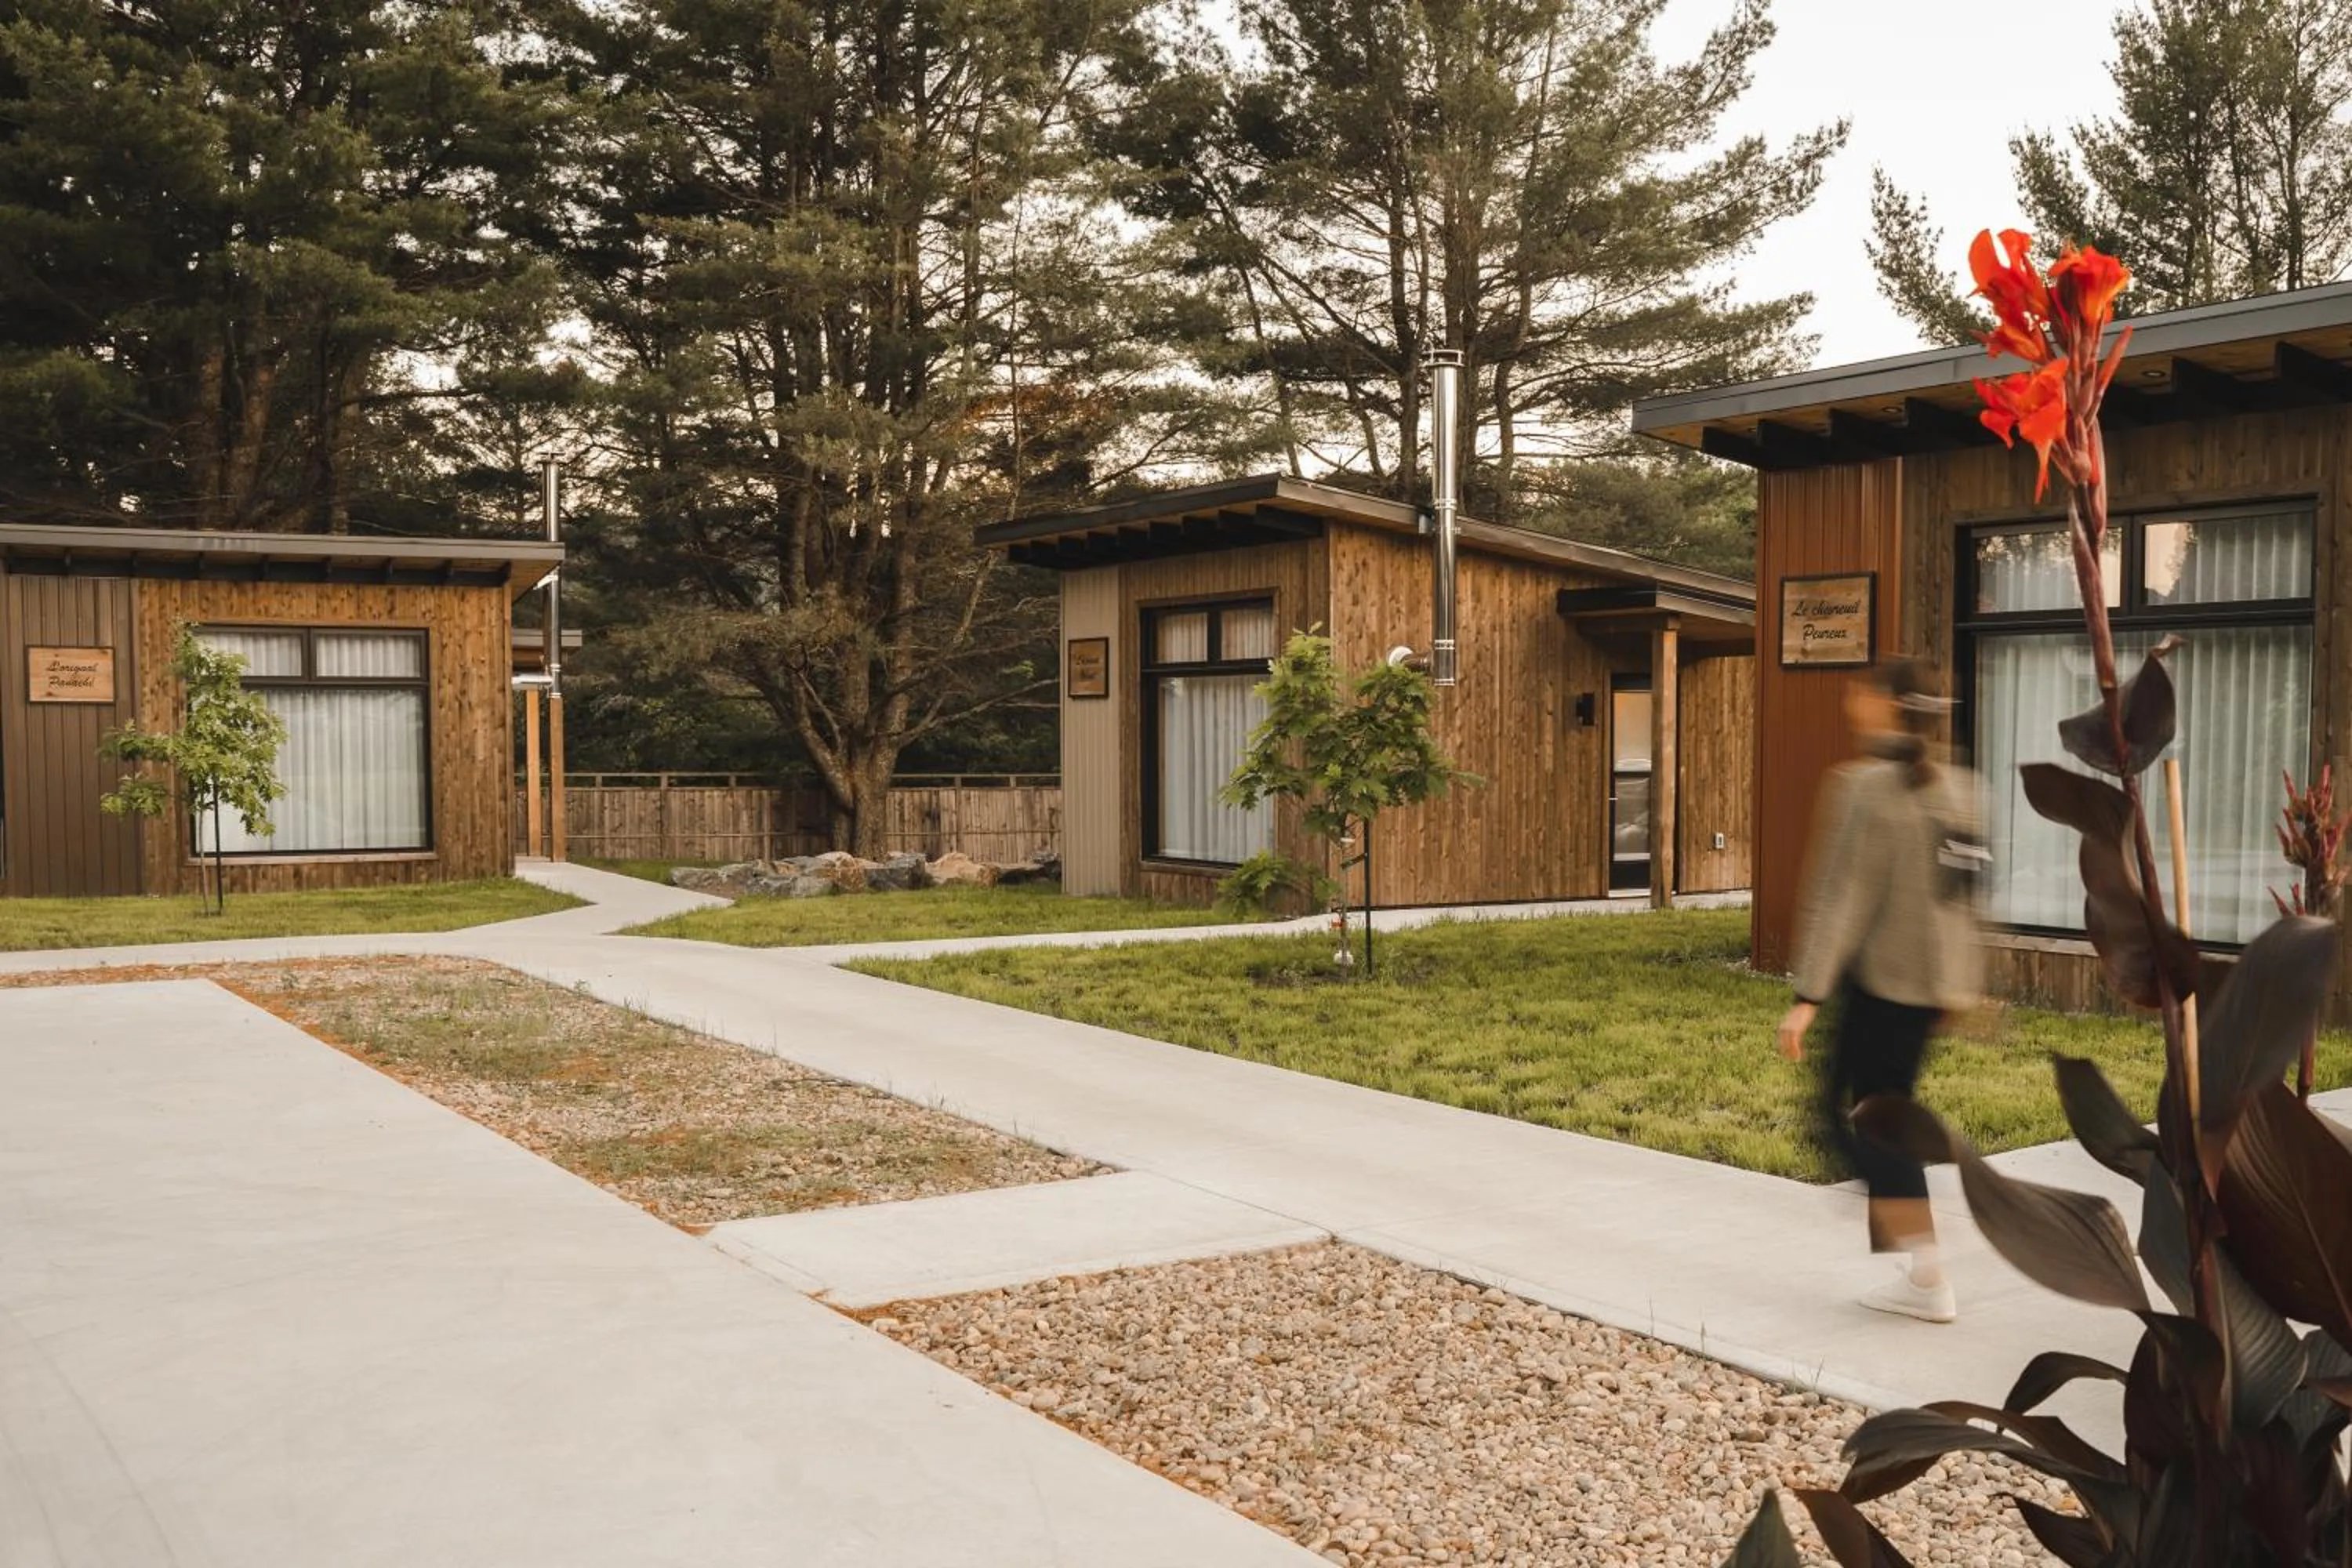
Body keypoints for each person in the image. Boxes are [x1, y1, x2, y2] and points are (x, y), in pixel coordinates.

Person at [1777, 658, 1986, 1324]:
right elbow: (1968, 893)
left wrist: (1808, 996)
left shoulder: (1863, 788)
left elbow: (1841, 897)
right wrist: (1959, 987)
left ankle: (1925, 1268)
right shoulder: (1962, 789)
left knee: (1856, 1122)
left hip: (1882, 987)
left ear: (1888, 706)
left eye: (1860, 693)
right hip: (1927, 990)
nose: (1850, 702)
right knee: (1882, 1115)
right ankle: (1918, 1255)